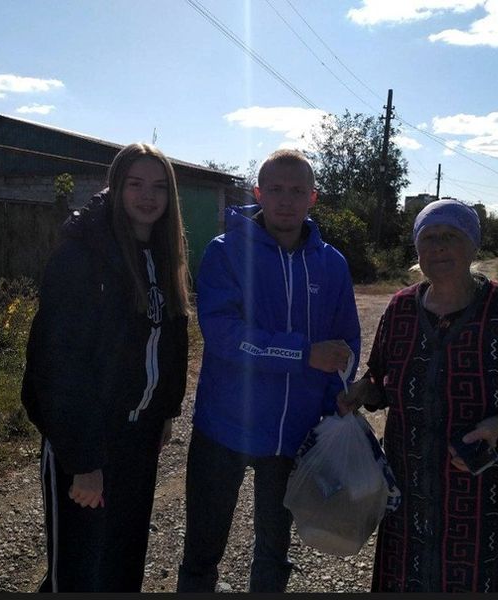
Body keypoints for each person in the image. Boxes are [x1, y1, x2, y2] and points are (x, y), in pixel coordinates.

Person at [339, 199, 498, 593]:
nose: (439, 247)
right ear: (417, 248)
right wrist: (361, 390)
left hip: (487, 494)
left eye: (451, 236)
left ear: (473, 246)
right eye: (429, 238)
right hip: (410, 490)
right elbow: (383, 381)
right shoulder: (399, 310)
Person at [177, 149, 361, 592]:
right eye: (275, 189)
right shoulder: (226, 252)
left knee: (274, 551)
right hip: (223, 427)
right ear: (258, 193)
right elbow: (223, 335)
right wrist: (301, 353)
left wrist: (338, 394)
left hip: (291, 433)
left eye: (297, 191)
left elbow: (346, 343)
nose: (285, 200)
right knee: (203, 547)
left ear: (313, 198)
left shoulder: (331, 263)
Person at [20, 143, 190, 592]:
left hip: (139, 436)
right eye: (135, 184)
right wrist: (83, 461)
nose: (147, 196)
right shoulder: (81, 255)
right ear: (115, 187)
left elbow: (168, 341)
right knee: (78, 569)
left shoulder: (163, 254)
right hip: (90, 438)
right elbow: (57, 365)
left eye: (158, 187)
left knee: (123, 556)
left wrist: (165, 411)